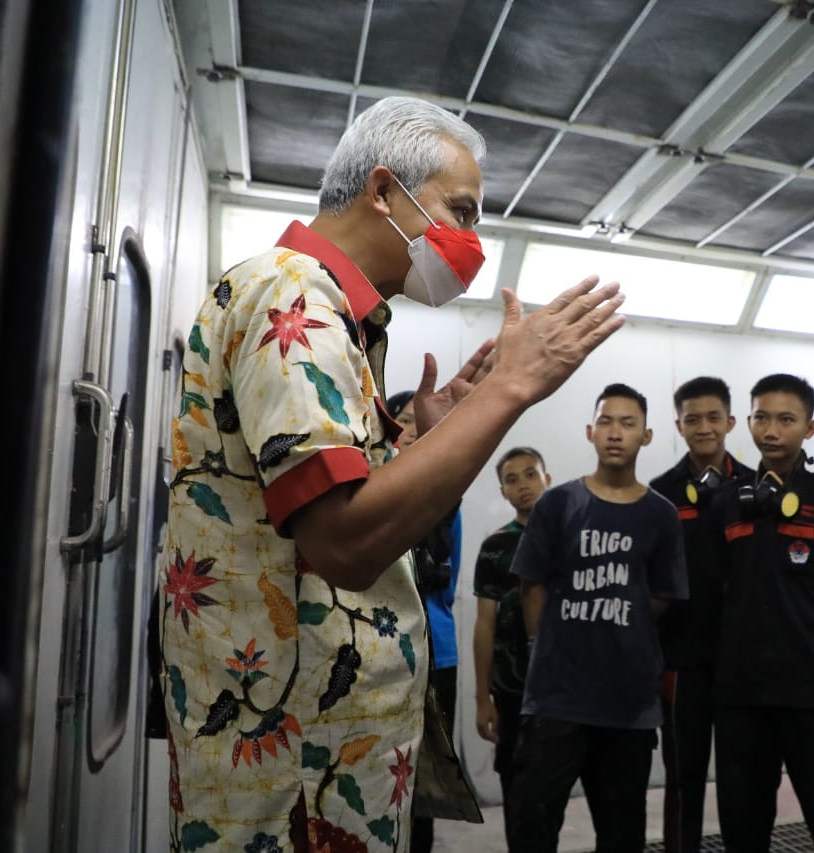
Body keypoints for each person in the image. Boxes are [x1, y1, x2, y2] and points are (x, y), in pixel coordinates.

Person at [159, 95, 624, 851]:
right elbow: (346, 543)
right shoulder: (293, 295)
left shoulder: (340, 315)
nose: (471, 240)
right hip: (294, 762)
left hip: (319, 747)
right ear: (382, 191)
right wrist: (511, 389)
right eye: (461, 210)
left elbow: (312, 523)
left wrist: (420, 442)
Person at [507, 384, 688, 853]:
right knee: (533, 824)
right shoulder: (558, 503)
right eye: (606, 421)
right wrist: (543, 651)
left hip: (628, 703)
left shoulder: (661, 515)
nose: (615, 433)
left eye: (628, 424)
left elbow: (664, 597)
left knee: (622, 832)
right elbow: (533, 585)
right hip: (557, 698)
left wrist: (619, 624)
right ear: (590, 431)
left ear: (646, 436)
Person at [709, 374, 814, 852]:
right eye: (761, 417)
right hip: (741, 699)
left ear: (809, 428)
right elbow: (711, 594)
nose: (771, 430)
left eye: (786, 419)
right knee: (743, 831)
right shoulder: (725, 502)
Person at [648, 376, 753, 853]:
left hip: (742, 662)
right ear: (679, 425)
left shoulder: (756, 487)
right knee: (683, 777)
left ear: (731, 422)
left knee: (740, 777)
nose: (704, 427)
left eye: (714, 417)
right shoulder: (659, 494)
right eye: (693, 419)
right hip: (681, 663)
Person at [386, 390, 463, 853]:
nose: (412, 429)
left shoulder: (446, 491)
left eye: (421, 421)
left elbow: (447, 577)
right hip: (383, 648)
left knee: (424, 783)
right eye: (404, 420)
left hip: (436, 647)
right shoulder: (368, 487)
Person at [472, 446, 551, 832]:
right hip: (512, 688)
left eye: (531, 474)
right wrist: (482, 698)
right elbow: (484, 624)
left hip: (566, 689)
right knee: (518, 794)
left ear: (547, 479)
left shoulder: (570, 537)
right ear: (502, 492)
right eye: (512, 479)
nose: (523, 485)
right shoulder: (496, 548)